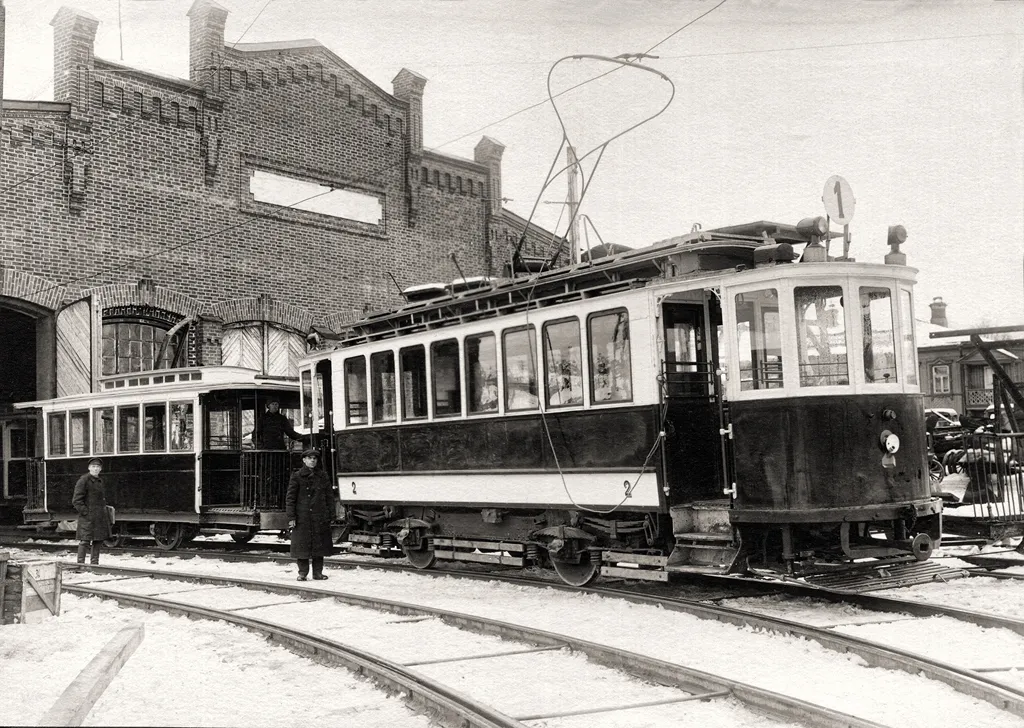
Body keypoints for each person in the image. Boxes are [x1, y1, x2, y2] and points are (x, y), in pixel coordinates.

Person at [286, 448, 335, 581]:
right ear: (304, 460)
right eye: (309, 458)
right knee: (302, 547)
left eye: (314, 458)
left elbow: (329, 497)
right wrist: (291, 517)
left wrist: (331, 515)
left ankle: (317, 573)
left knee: (319, 547)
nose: (312, 460)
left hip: (319, 516)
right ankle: (302, 573)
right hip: (302, 517)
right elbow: (290, 499)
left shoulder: (323, 476)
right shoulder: (296, 476)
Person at [72, 458, 111, 565]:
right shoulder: (83, 480)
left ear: (100, 469)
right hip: (88, 517)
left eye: (98, 467)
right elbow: (76, 500)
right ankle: (80, 564)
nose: (95, 469)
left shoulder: (100, 481)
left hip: (99, 517)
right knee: (84, 541)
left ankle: (94, 564)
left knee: (98, 540)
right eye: (93, 467)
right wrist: (85, 512)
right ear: (89, 468)